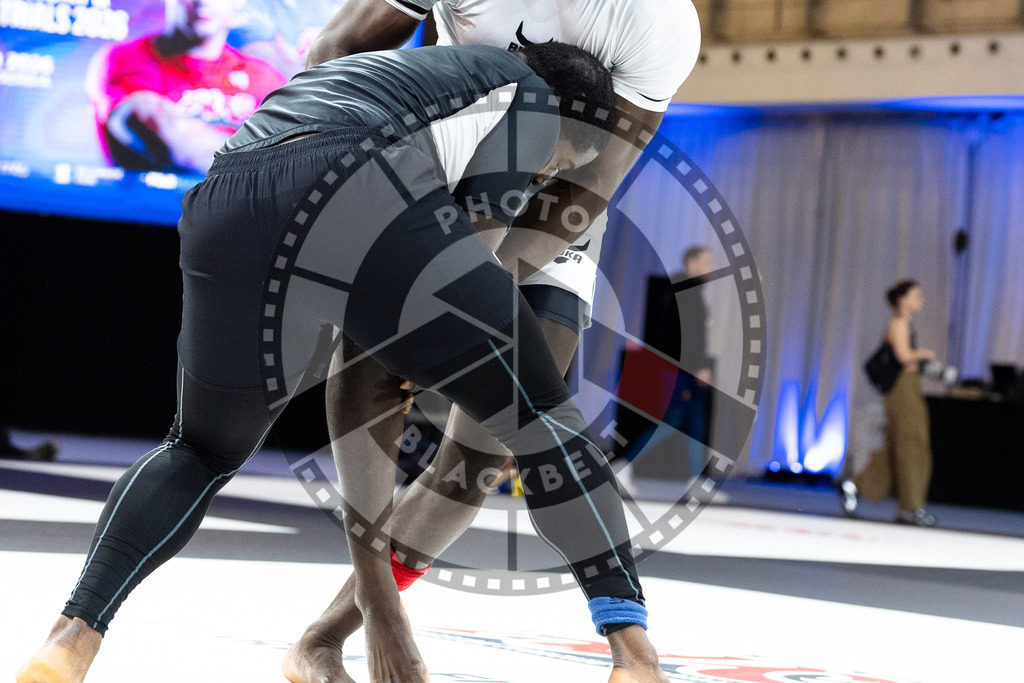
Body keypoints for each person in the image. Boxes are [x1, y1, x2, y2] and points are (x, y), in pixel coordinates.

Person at [17, 41, 658, 683]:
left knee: (201, 447)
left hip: (228, 193)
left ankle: (72, 637)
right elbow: (472, 253)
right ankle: (635, 655)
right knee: (543, 414)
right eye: (550, 168)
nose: (541, 182)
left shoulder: (404, 70)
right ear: (571, 119)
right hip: (359, 185)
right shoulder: (535, 99)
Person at [286, 2, 697, 682]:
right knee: (371, 367)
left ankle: (325, 634)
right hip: (440, 166)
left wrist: (461, 300)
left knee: (493, 442)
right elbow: (338, 46)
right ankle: (377, 616)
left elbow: (589, 180)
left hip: (551, 197)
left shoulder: (660, 19)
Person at [86, 0, 286, 174]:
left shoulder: (265, 78)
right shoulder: (126, 60)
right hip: (149, 214)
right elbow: (168, 137)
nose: (204, 1)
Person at [840, 280, 939, 527]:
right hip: (902, 390)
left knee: (898, 446)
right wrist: (924, 354)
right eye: (916, 295)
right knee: (912, 445)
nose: (920, 300)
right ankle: (911, 507)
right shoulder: (898, 323)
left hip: (908, 386)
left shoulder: (904, 323)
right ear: (902, 299)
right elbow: (903, 356)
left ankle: (857, 486)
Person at [620, 245, 715, 496]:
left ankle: (697, 480)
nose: (710, 267)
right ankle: (624, 465)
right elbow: (688, 335)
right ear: (691, 263)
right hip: (682, 370)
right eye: (706, 261)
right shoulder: (687, 291)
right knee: (673, 422)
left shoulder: (686, 289)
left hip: (680, 368)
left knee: (693, 422)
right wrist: (698, 366)